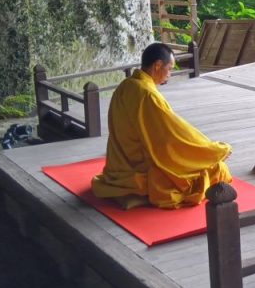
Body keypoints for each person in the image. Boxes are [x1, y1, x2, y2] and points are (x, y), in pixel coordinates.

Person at [92, 42, 232, 209]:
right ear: (158, 66)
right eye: (170, 68)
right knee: (217, 169)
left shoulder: (126, 85)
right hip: (141, 167)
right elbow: (173, 135)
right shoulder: (147, 95)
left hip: (119, 164)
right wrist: (213, 150)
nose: (170, 74)